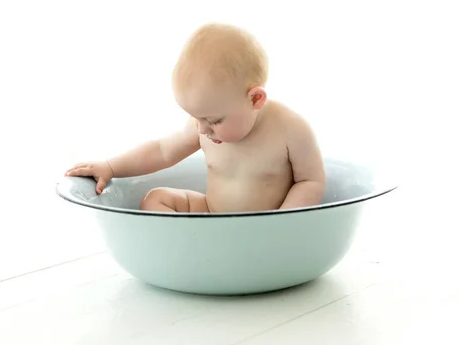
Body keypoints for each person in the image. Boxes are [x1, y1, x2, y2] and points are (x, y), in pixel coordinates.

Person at [65, 23, 325, 213]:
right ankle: (191, 252)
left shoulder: (290, 129)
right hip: (211, 213)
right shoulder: (205, 122)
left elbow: (310, 181)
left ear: (255, 99)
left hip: (265, 225)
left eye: (214, 121)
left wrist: (282, 220)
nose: (202, 129)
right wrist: (110, 167)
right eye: (195, 117)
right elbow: (162, 151)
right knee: (156, 199)